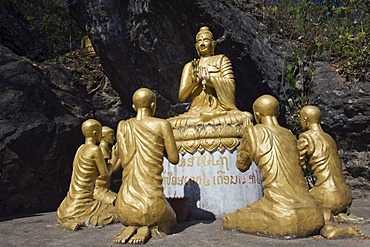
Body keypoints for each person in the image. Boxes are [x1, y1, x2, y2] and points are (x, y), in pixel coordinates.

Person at [223, 95, 325, 238]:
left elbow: (241, 165)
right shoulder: (290, 135)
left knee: (229, 220)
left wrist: (247, 136)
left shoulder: (253, 132)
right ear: (277, 113)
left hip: (281, 213)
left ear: (257, 115)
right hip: (313, 213)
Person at [114, 88, 179, 244]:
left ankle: (130, 226)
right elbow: (174, 158)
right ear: (153, 104)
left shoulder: (123, 126)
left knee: (132, 213)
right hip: (153, 206)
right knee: (172, 218)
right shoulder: (162, 125)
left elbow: (123, 160)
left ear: (134, 106)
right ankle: (146, 227)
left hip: (124, 205)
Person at [168, 26, 251, 127]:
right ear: (196, 46)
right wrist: (194, 82)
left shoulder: (221, 60)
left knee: (245, 117)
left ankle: (204, 121)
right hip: (194, 113)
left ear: (213, 44)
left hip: (219, 112)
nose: (202, 43)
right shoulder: (190, 66)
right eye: (199, 41)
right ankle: (202, 121)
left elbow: (230, 86)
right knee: (168, 124)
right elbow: (181, 96)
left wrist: (209, 80)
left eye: (206, 40)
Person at [57, 119, 117, 230]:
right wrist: (114, 157)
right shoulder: (95, 150)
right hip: (84, 201)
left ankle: (69, 221)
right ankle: (81, 221)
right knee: (117, 213)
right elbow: (105, 174)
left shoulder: (80, 149)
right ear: (95, 133)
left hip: (68, 203)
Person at [298, 105, 353, 218]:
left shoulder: (306, 137)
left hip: (326, 195)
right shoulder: (329, 138)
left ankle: (327, 218)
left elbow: (296, 165)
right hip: (345, 195)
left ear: (305, 120)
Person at [93, 126, 120, 205]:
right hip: (98, 189)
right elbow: (109, 172)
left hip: (105, 188)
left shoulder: (107, 148)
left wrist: (120, 157)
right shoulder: (102, 149)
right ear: (103, 136)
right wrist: (115, 156)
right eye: (111, 135)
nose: (114, 138)